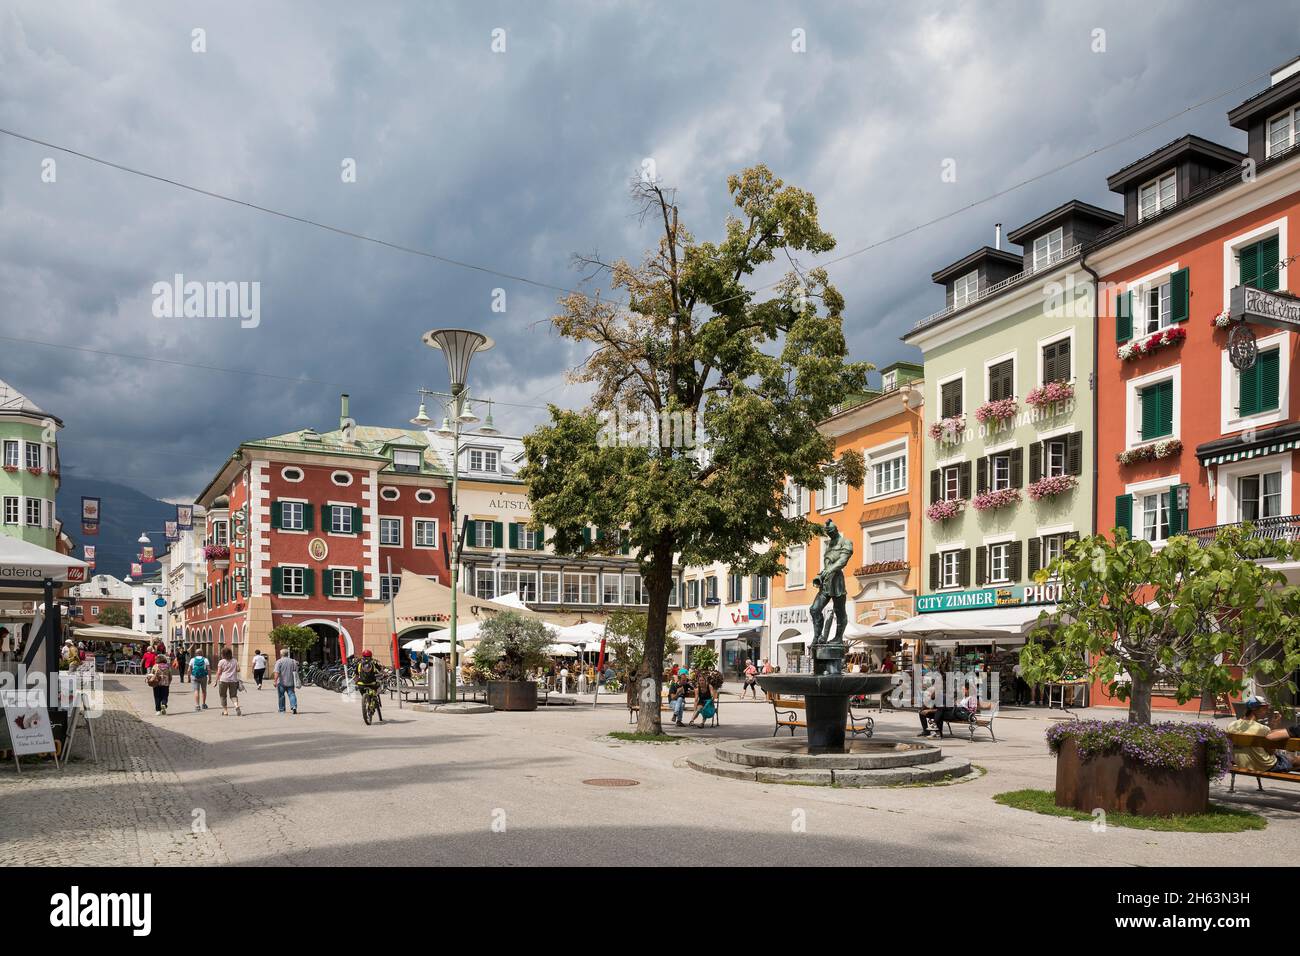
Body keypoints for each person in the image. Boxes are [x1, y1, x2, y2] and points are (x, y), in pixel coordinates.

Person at [1226, 697, 1297, 774]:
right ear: (1255, 709)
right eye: (1264, 708)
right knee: (1296, 760)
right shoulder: (1263, 729)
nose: (1267, 711)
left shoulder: (1231, 725)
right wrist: (1274, 726)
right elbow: (1271, 752)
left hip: (1241, 764)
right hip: (1265, 766)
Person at [355, 649, 383, 722]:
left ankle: (366, 701)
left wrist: (356, 682)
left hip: (361, 684)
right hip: (372, 683)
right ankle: (373, 702)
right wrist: (384, 674)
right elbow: (380, 670)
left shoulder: (359, 664)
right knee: (377, 688)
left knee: (364, 693)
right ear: (371, 656)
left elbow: (356, 675)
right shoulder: (373, 663)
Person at [215, 647, 241, 717]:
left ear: (223, 654)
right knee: (233, 695)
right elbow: (238, 669)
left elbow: (219, 672)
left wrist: (216, 681)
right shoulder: (235, 660)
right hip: (233, 680)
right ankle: (236, 706)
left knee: (223, 695)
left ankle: (225, 711)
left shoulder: (221, 661)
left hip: (223, 680)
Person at [273, 648, 299, 715]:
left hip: (281, 682)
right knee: (292, 694)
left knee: (281, 696)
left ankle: (282, 709)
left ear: (281, 654)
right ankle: (294, 707)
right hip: (291, 681)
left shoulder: (279, 662)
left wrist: (275, 681)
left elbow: (276, 672)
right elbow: (296, 671)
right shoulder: (293, 661)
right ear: (287, 654)